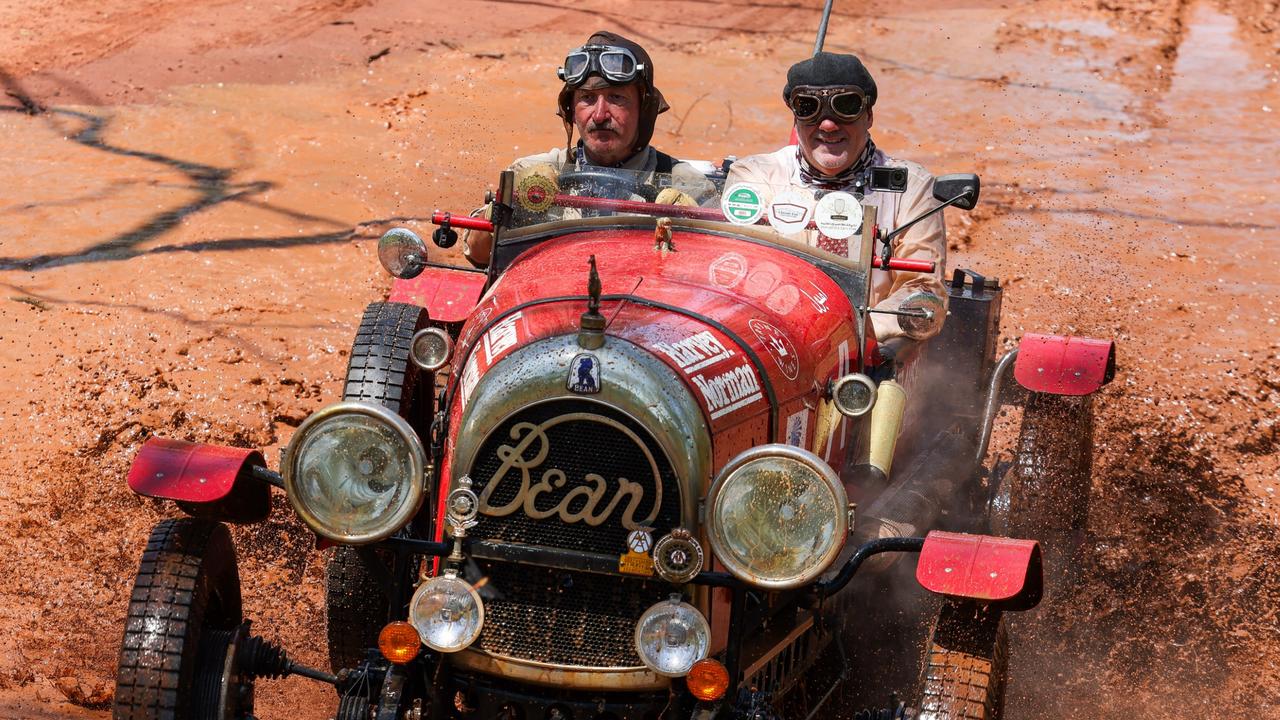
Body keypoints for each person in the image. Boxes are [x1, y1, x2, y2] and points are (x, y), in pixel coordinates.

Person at [726, 51, 947, 342]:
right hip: (778, 337)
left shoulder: (912, 187)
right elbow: (737, 278)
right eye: (808, 108)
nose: (828, 125)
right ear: (795, 119)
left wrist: (850, 332)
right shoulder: (755, 177)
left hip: (866, 348)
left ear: (869, 115)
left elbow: (923, 291)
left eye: (845, 106)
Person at [462, 31, 712, 267]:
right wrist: (506, 207)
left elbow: (726, 270)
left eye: (616, 98)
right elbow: (478, 254)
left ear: (644, 110)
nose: (600, 115)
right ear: (571, 109)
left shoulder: (686, 185)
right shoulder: (533, 173)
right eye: (587, 98)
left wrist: (695, 229)